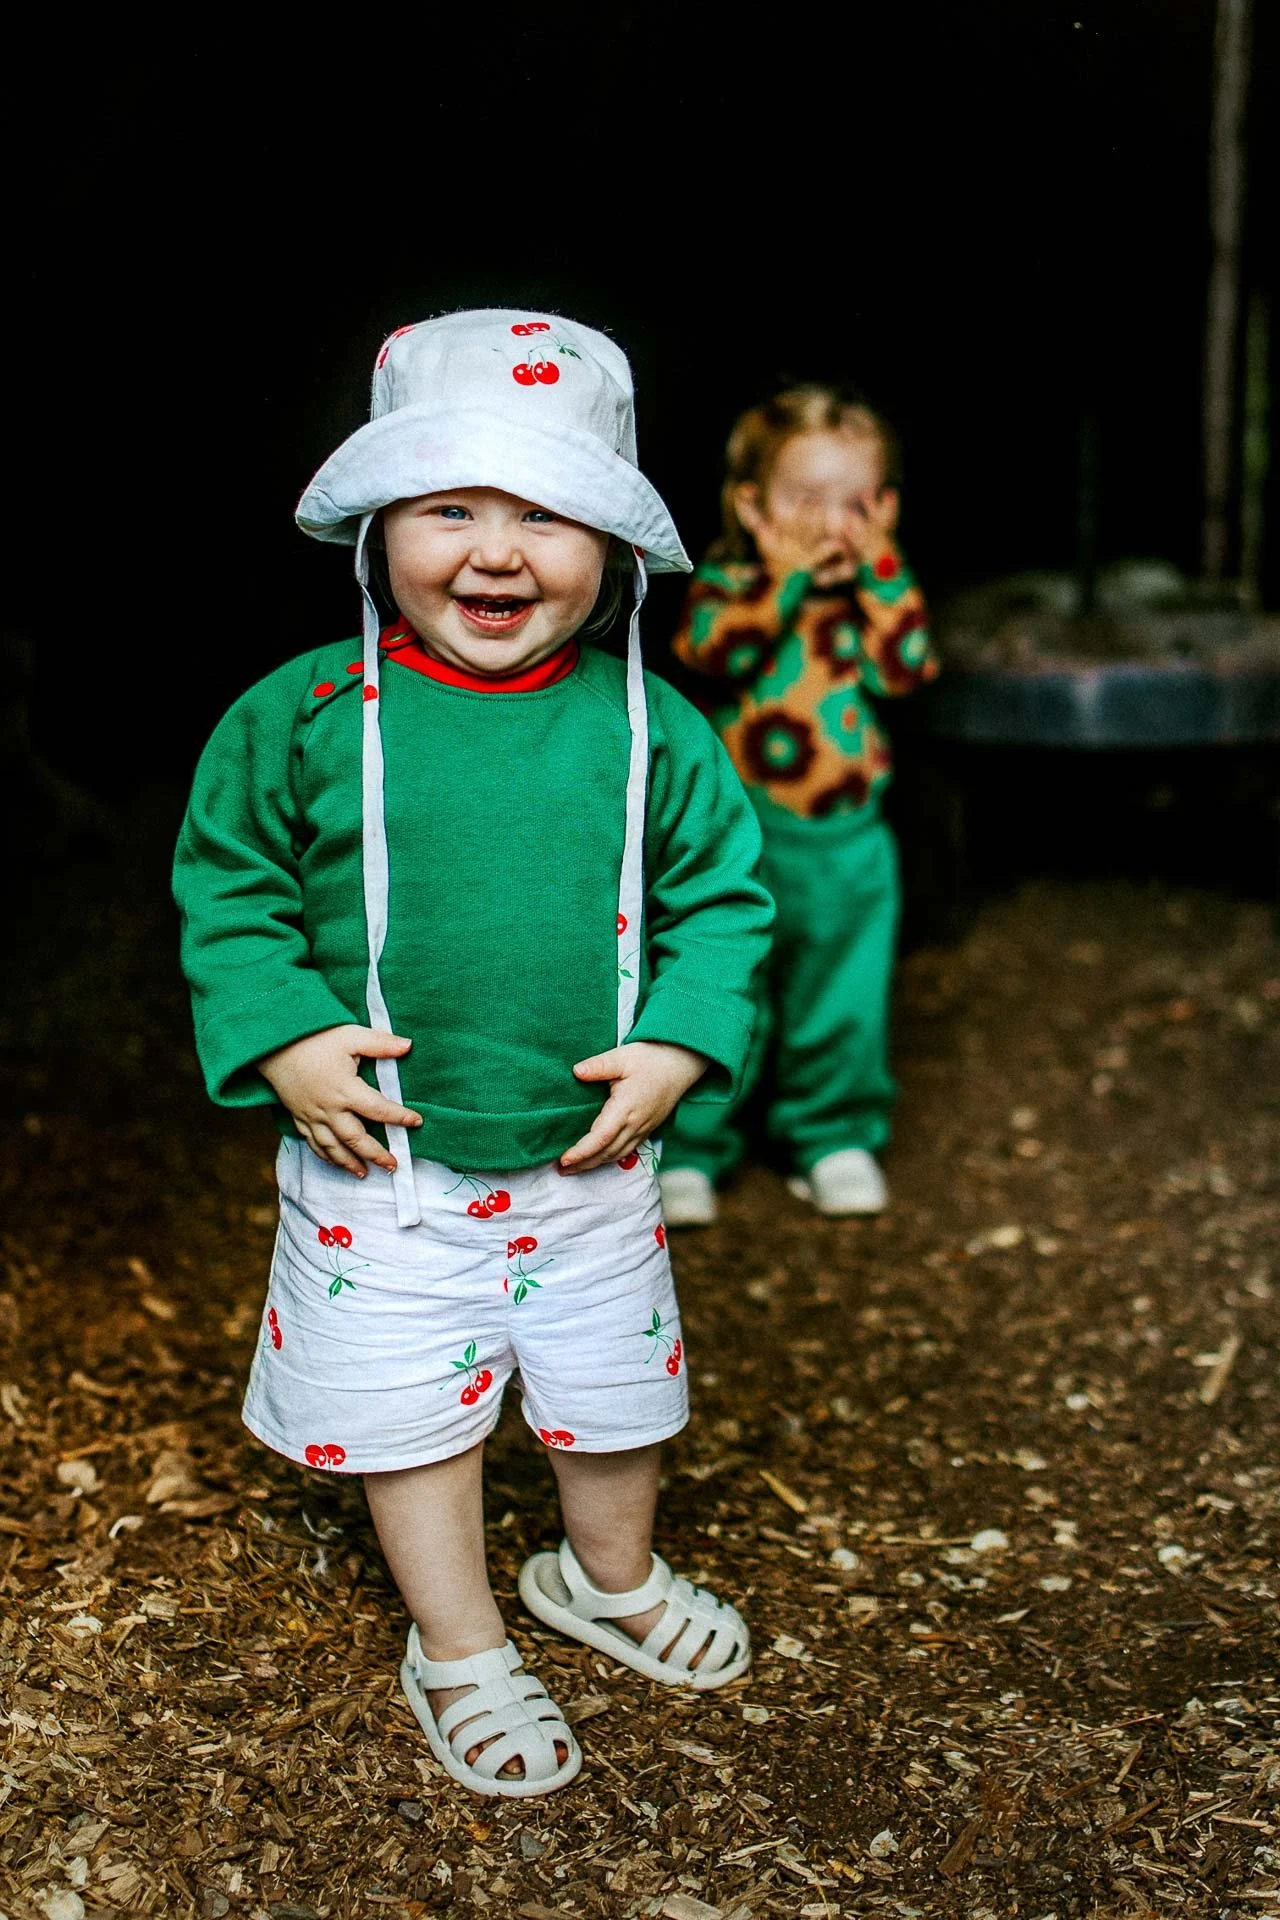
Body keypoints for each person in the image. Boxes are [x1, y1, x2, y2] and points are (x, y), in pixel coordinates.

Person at [172, 310, 773, 1798]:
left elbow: (725, 901)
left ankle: (605, 1579)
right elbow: (227, 885)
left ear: (613, 549)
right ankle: (458, 1642)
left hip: (589, 1158)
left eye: (547, 515)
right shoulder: (304, 714)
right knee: (411, 1415)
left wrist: (682, 1051)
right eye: (451, 510)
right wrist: (291, 1036)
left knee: (613, 1401)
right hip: (381, 1162)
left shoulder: (651, 728)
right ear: (382, 528)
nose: (497, 553)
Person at [659, 385, 937, 1227]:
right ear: (754, 505)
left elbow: (910, 670)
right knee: (724, 986)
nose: (829, 522)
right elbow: (709, 652)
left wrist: (883, 571)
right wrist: (780, 579)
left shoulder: (872, 591)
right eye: (804, 499)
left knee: (842, 995)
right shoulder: (734, 581)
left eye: (852, 501)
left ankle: (832, 1136)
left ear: (884, 507)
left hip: (850, 843)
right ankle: (694, 1148)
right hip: (741, 843)